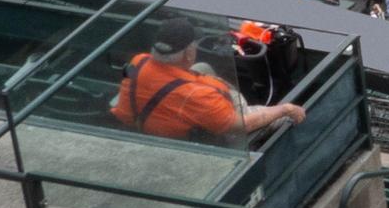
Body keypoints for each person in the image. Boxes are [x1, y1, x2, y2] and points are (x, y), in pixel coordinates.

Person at [112, 17, 304, 142]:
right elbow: (243, 125)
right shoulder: (198, 97)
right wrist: (284, 108)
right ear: (188, 53)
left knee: (202, 68)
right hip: (202, 138)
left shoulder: (141, 61)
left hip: (151, 123)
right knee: (286, 116)